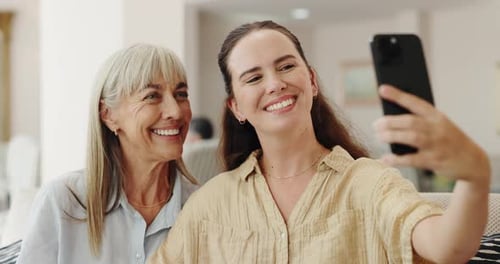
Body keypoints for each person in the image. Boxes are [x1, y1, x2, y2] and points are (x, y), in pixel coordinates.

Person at [149, 21, 491, 263]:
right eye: (254, 77)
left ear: (311, 81)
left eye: (285, 67)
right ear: (236, 106)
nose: (274, 84)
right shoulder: (211, 204)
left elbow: (448, 247)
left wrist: (474, 176)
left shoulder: (369, 183)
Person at [17, 43, 198, 264]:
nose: (175, 111)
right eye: (152, 96)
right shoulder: (62, 201)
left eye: (181, 94)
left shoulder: (206, 208)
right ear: (108, 115)